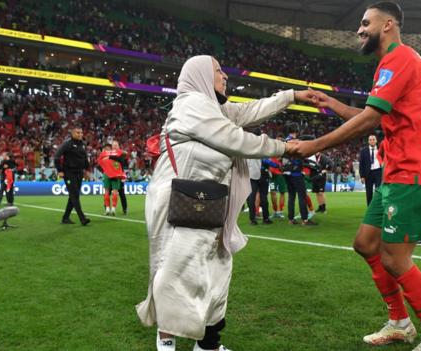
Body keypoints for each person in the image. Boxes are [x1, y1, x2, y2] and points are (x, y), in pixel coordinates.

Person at [290, 2, 421, 350]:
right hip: (398, 172)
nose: (359, 30)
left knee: (395, 258)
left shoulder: (399, 58)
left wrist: (315, 145)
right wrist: (331, 103)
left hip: (414, 172)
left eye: (366, 23)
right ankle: (400, 322)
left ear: (388, 24)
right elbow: (376, 116)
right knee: (365, 245)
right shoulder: (393, 61)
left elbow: (368, 120)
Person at [135, 55, 316, 351]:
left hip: (205, 203)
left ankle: (208, 345)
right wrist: (285, 148)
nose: (225, 77)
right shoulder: (191, 103)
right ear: (201, 75)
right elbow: (233, 138)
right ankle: (166, 340)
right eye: (218, 71)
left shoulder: (213, 107)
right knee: (175, 270)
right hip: (178, 204)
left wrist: (292, 96)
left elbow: (250, 110)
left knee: (216, 271)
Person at [54, 126, 91, 226]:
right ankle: (82, 219)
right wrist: (60, 170)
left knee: (74, 195)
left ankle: (65, 218)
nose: (80, 134)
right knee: (74, 195)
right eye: (78, 133)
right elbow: (57, 156)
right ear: (73, 133)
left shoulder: (83, 145)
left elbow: (85, 158)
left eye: (81, 132)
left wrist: (87, 170)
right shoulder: (67, 144)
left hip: (79, 173)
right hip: (69, 173)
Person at [97, 143, 124, 216]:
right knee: (114, 191)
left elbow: (98, 164)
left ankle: (108, 209)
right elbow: (123, 156)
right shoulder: (116, 155)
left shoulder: (104, 155)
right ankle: (112, 208)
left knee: (107, 192)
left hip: (107, 174)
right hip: (115, 174)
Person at [359, 135, 383, 205]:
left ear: (376, 141)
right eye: (370, 140)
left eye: (373, 139)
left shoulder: (381, 149)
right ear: (368, 141)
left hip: (378, 172)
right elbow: (361, 164)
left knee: (378, 191)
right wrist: (362, 176)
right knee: (369, 192)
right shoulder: (364, 151)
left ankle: (378, 206)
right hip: (368, 173)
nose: (372, 141)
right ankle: (369, 208)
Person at [112, 140, 129, 215]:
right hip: (111, 176)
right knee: (108, 192)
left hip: (119, 177)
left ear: (118, 146)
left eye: (116, 145)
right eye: (113, 145)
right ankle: (107, 209)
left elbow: (123, 163)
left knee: (122, 194)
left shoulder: (122, 155)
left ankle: (124, 209)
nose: (114, 146)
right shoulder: (109, 154)